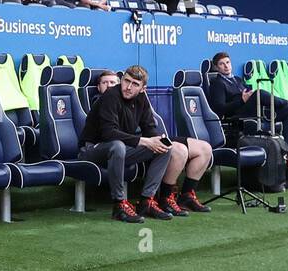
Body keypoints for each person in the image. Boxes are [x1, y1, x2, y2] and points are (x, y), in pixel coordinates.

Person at [79, 65, 202, 222]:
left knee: (164, 147)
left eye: (135, 84)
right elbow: (108, 133)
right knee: (117, 145)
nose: (128, 87)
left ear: (143, 88)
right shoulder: (110, 96)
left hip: (121, 150)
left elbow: (149, 128)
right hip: (92, 149)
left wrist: (157, 139)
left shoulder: (141, 99)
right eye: (126, 81)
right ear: (122, 80)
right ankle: (119, 204)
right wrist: (144, 141)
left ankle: (147, 201)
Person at [206, 51, 288, 162]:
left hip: (255, 112)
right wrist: (242, 100)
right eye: (221, 64)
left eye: (228, 62)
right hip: (238, 116)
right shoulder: (217, 83)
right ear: (216, 67)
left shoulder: (237, 80)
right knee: (259, 93)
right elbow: (220, 109)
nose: (226, 66)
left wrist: (248, 96)